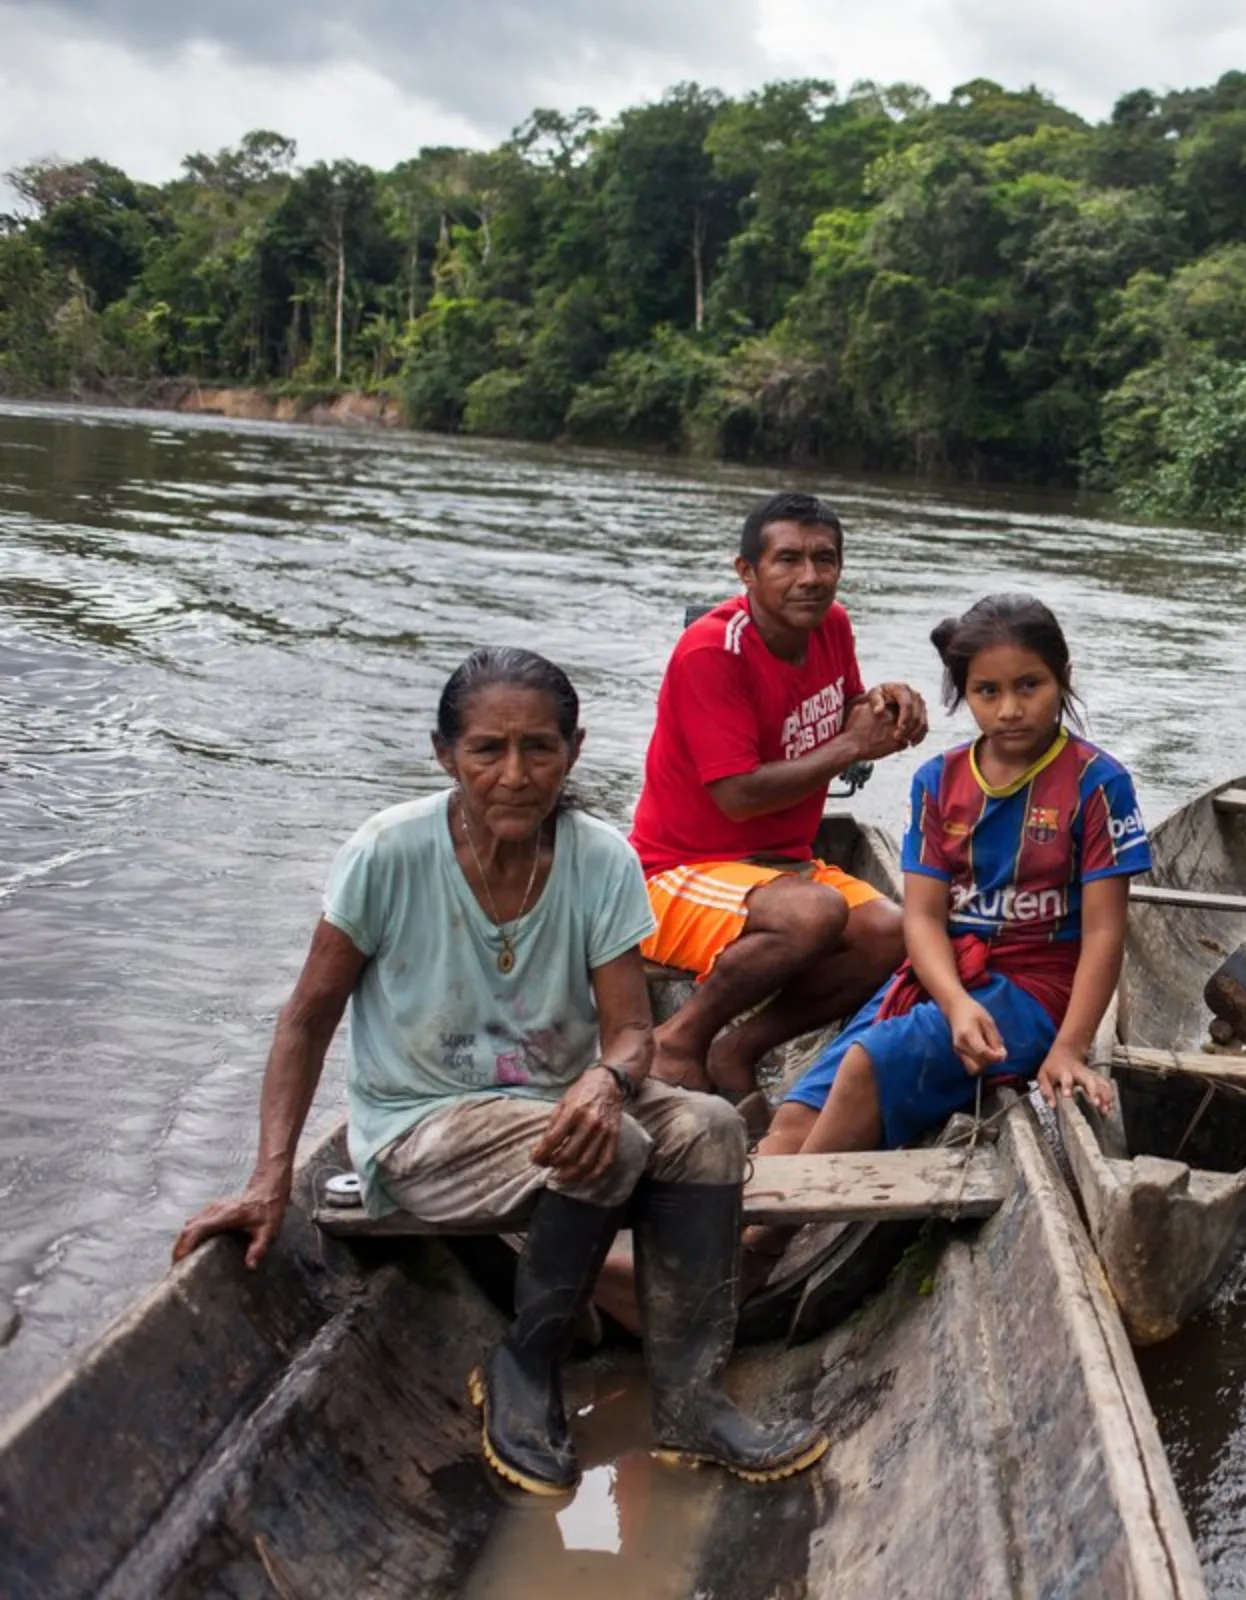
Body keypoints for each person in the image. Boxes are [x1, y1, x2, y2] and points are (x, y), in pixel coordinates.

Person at [173, 647, 825, 1496]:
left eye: (539, 750)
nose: (514, 775)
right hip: (421, 1125)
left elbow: (632, 1032)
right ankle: (525, 1367)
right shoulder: (388, 853)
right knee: (616, 1147)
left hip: (555, 1114)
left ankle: (691, 1403)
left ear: (574, 752)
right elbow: (305, 1018)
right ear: (446, 755)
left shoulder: (599, 860)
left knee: (706, 1127)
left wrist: (607, 1079)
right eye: (487, 750)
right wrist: (267, 1181)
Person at [747, 594, 1151, 1254]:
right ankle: (747, 1224)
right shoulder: (939, 781)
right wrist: (956, 1003)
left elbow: (1106, 933)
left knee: (865, 1067)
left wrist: (1070, 1047)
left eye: (1030, 686)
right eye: (987, 691)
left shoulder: (1097, 784)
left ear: (1063, 677)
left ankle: (757, 1252)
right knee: (795, 1114)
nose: (1010, 709)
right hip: (944, 978)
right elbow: (925, 922)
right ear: (965, 694)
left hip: (1035, 988)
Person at [630, 491, 929, 1099]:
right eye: (788, 560)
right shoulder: (713, 652)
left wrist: (880, 704)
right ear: (747, 572)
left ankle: (738, 1049)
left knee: (898, 934)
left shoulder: (831, 625)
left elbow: (838, 709)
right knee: (815, 912)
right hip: (674, 874)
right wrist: (852, 747)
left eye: (825, 560)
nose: (811, 578)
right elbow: (737, 796)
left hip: (784, 867)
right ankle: (679, 1040)